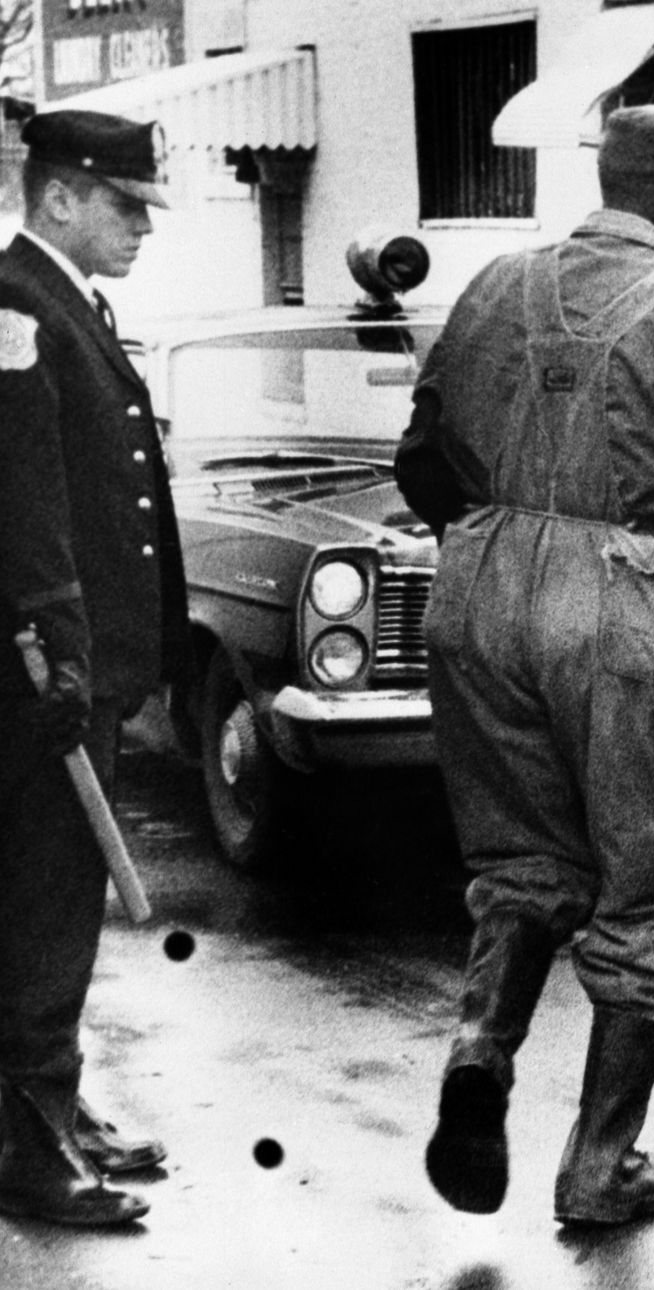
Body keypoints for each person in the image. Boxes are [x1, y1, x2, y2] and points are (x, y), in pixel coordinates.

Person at [395, 105, 654, 1226]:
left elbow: (420, 460)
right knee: (647, 888)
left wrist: (502, 533)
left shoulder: (490, 288)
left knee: (520, 863)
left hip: (474, 588)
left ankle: (481, 1048)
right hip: (619, 607)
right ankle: (600, 1164)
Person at [0, 109, 187, 1227]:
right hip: (42, 673)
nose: (142, 228)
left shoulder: (63, 302)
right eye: (124, 205)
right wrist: (61, 651)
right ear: (60, 196)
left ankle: (55, 1110)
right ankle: (28, 1146)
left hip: (79, 662)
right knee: (45, 898)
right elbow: (26, 501)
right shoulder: (17, 308)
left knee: (54, 895)